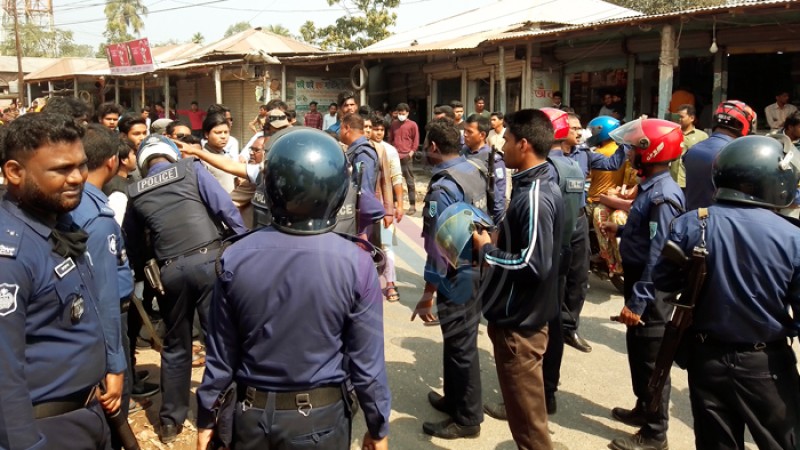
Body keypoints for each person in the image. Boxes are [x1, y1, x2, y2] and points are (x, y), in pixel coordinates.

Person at [195, 128, 390, 450]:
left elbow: (221, 354)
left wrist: (207, 416)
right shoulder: (357, 264)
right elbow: (367, 365)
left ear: (270, 188)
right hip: (320, 422)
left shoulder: (234, 257)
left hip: (248, 417)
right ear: (339, 190)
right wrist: (377, 425)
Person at [653, 134, 800, 450]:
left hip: (707, 360)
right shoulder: (792, 238)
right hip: (767, 364)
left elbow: (663, 281)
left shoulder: (692, 223)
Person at [122, 135, 247, 443]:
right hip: (210, 263)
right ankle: (219, 415)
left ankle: (169, 423)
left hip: (170, 273)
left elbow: (134, 244)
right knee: (218, 340)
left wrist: (144, 277)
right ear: (172, 154)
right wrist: (244, 242)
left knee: (176, 346)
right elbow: (223, 208)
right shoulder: (191, 168)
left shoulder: (135, 191)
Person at [0, 112, 112, 449]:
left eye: (80, 165)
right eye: (61, 169)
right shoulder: (11, 254)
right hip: (48, 429)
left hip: (89, 412)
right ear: (15, 172)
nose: (77, 177)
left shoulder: (56, 225)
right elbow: (5, 371)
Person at [473, 109, 563, 450]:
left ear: (523, 144)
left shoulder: (536, 194)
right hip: (521, 319)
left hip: (520, 326)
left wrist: (486, 251)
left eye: (507, 140)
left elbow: (533, 262)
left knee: (529, 429)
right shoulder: (534, 183)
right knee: (526, 417)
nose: (502, 146)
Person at [600, 118, 685, 450]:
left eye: (635, 147)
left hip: (652, 288)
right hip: (640, 281)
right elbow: (646, 231)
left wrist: (638, 301)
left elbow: (659, 253)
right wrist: (619, 232)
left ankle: (655, 434)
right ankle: (642, 408)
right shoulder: (651, 188)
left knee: (652, 360)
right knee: (637, 350)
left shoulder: (664, 195)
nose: (630, 153)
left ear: (652, 152)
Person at [411, 118, 486, 439]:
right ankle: (454, 399)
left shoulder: (443, 187)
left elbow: (439, 246)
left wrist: (428, 291)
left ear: (432, 147)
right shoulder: (472, 171)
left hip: (457, 272)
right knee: (457, 341)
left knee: (461, 347)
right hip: (476, 264)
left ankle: (468, 418)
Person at [70, 124, 136, 436]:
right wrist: (115, 365)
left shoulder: (77, 201)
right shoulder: (98, 218)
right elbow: (105, 295)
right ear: (112, 161)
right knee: (114, 405)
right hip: (106, 323)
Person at [684, 100, 755, 210]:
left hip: (691, 219)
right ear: (741, 125)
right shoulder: (738, 156)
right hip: (722, 222)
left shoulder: (693, 150)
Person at [370, 114, 405, 302]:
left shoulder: (390, 151)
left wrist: (399, 205)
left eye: (381, 130)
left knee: (388, 244)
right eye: (375, 129)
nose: (378, 133)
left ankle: (390, 283)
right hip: (366, 205)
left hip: (385, 203)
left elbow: (396, 178)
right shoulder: (364, 149)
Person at [339, 113, 386, 237]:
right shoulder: (355, 150)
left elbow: (363, 192)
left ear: (347, 128)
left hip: (359, 225)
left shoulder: (363, 153)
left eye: (340, 128)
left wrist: (362, 231)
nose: (339, 132)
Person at [462, 113, 507, 223]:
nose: (465, 135)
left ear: (482, 135)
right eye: (465, 131)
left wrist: (496, 225)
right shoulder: (462, 153)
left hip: (482, 218)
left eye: (470, 132)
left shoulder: (493, 160)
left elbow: (499, 197)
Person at [390, 103, 420, 215]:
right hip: (395, 156)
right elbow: (390, 139)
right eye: (399, 113)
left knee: (409, 181)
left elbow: (416, 140)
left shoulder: (413, 125)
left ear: (407, 113)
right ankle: (394, 203)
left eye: (403, 113)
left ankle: (412, 205)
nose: (401, 115)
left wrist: (411, 152)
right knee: (394, 180)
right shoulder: (394, 124)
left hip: (407, 156)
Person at [670, 104, 708, 190]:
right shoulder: (673, 134)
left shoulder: (702, 136)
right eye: (677, 117)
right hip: (673, 181)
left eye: (681, 117)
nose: (679, 119)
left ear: (692, 118)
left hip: (691, 182)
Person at [201, 112, 236, 193]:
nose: (223, 136)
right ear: (206, 134)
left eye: (226, 132)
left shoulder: (226, 155)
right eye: (218, 133)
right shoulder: (203, 160)